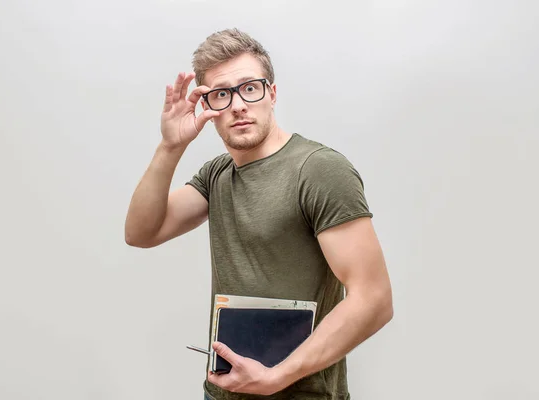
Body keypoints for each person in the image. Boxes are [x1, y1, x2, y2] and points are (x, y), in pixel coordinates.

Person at [125, 28, 393, 400]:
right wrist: (171, 146)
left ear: (272, 93)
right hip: (221, 394)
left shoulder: (319, 170)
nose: (237, 105)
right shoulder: (217, 174)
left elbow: (374, 300)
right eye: (221, 94)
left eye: (249, 88)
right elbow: (141, 232)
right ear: (208, 108)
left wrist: (278, 377)